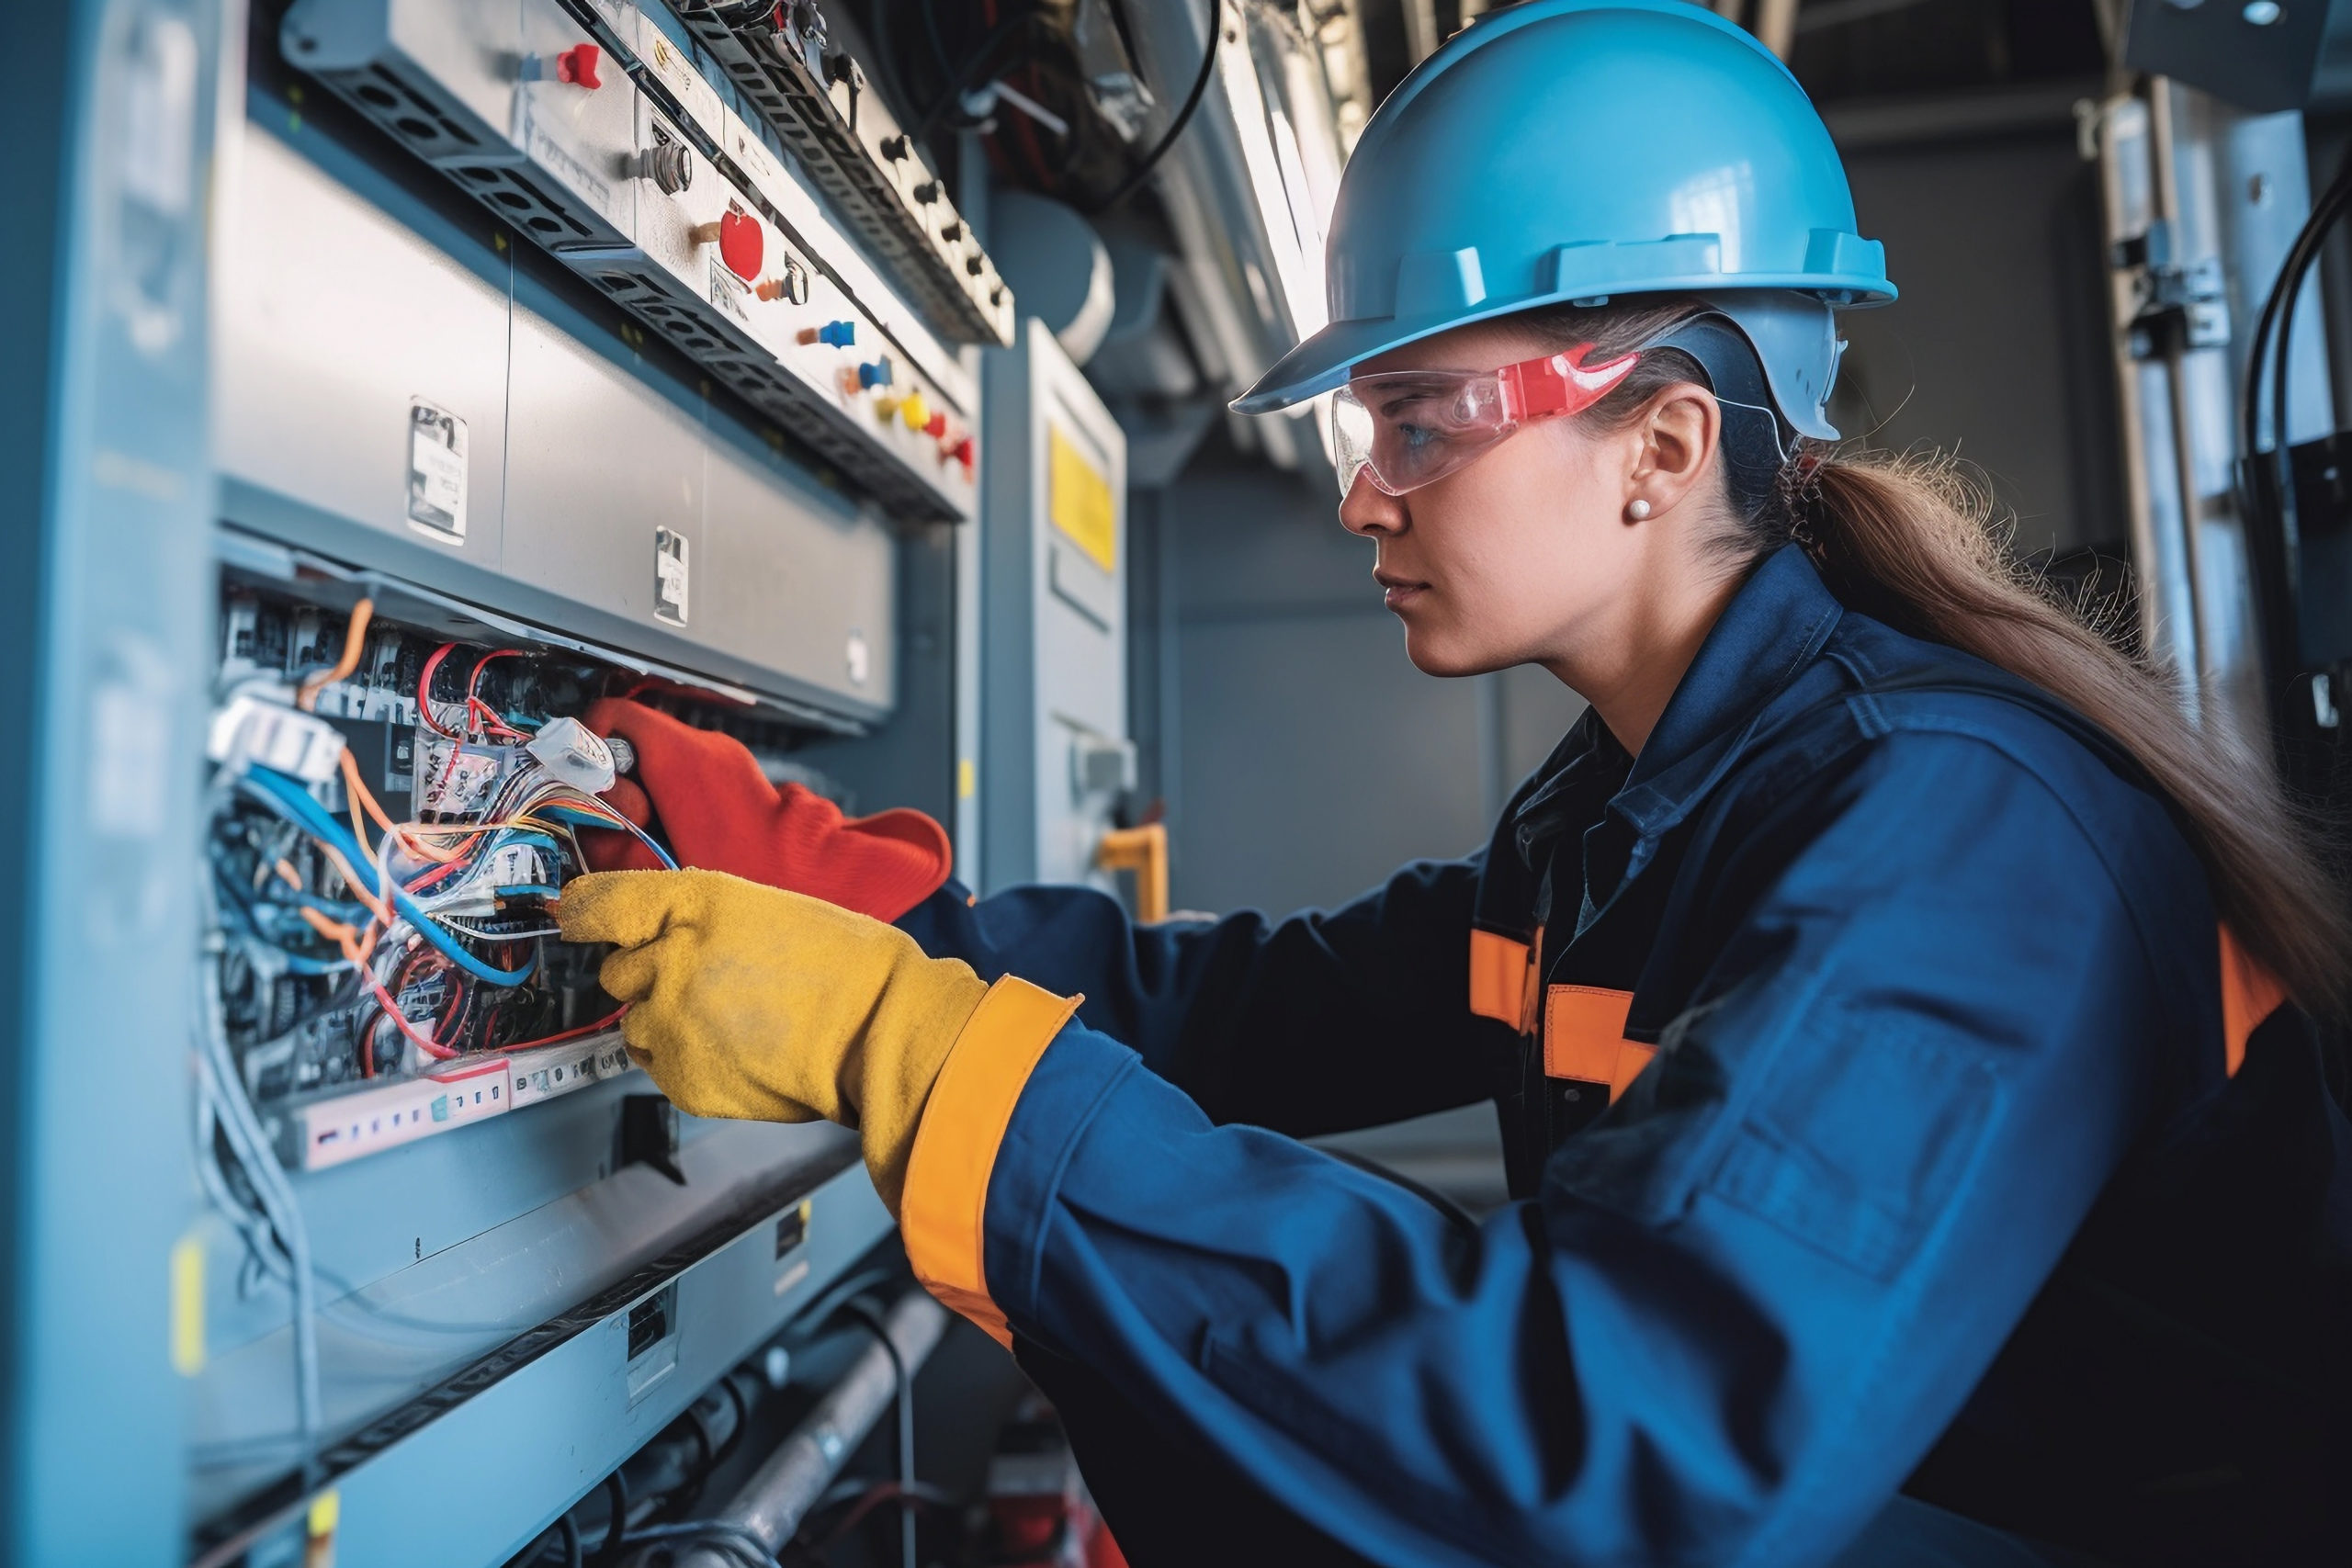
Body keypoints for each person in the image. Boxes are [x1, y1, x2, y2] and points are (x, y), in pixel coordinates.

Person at [557, 4, 2352, 1563]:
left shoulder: (1965, 842)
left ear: (1657, 441)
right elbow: (1255, 1008)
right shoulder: (1622, 823)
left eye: (1415, 418)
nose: (1360, 493)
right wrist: (876, 909)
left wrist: (925, 1055)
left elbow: (1617, 1444)